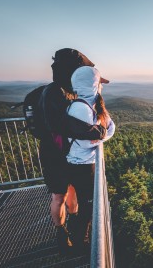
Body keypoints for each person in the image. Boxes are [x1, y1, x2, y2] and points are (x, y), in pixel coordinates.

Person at [38, 48, 108, 253]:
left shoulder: (68, 90)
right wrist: (97, 132)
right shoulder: (54, 92)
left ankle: (76, 229)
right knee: (59, 196)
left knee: (72, 193)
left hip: (67, 154)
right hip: (54, 155)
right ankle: (62, 235)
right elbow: (63, 125)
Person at [66, 66, 115, 250]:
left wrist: (100, 137)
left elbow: (111, 129)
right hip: (80, 165)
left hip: (84, 162)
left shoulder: (90, 104)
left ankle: (78, 235)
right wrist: (101, 137)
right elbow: (86, 142)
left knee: (84, 203)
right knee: (87, 206)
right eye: (99, 83)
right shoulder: (80, 109)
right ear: (92, 85)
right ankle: (81, 242)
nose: (101, 87)